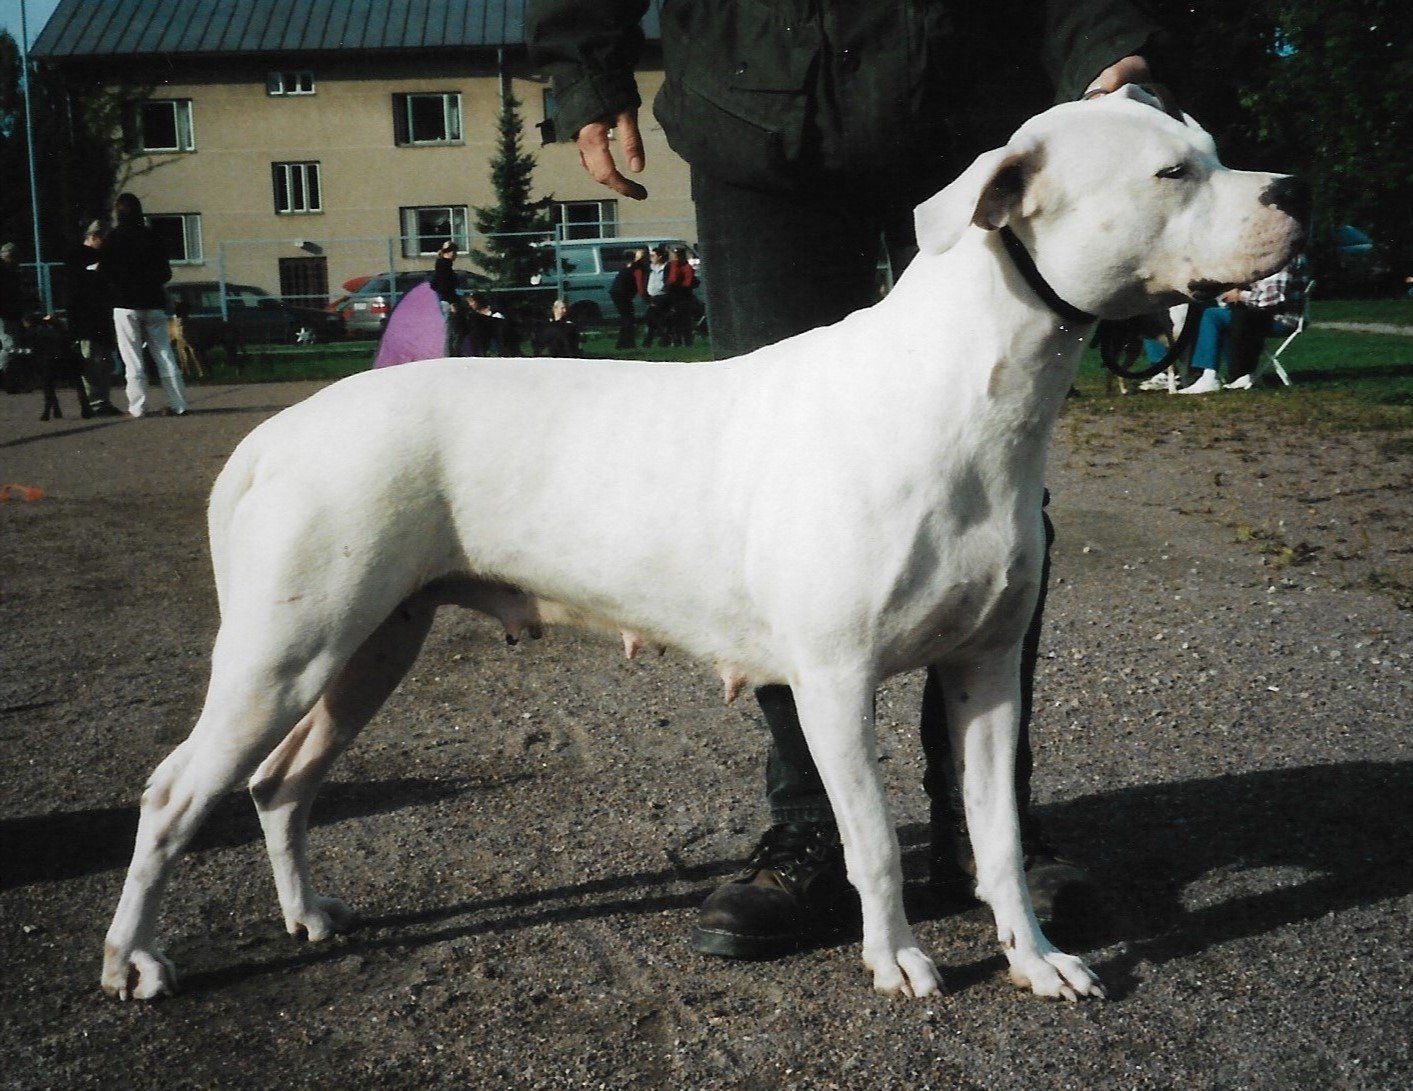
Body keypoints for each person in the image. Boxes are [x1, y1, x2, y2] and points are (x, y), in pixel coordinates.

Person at [528, 0, 1177, 958]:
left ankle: (982, 836)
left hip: (960, 112)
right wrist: (589, 72)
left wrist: (1108, 50)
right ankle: (815, 834)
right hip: (756, 127)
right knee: (785, 501)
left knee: (987, 485)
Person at [99, 192, 189, 417]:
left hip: (124, 305)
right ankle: (178, 404)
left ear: (118, 213)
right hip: (153, 302)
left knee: (132, 358)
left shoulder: (112, 239)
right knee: (164, 354)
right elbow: (165, 273)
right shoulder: (153, 238)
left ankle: (138, 407)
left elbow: (105, 274)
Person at [1179, 256, 1308, 393]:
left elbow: (1273, 299)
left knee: (1212, 316)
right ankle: (1237, 374)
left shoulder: (1284, 259)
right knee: (1217, 313)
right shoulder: (1268, 258)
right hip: (1257, 315)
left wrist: (1240, 296)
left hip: (1281, 319)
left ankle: (1209, 377)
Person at [64, 221, 123, 416]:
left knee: (102, 361)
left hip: (98, 318)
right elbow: (76, 292)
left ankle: (102, 401)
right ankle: (96, 402)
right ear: (93, 237)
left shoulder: (96, 258)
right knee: (93, 362)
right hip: (87, 319)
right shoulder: (77, 258)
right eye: (101, 239)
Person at [429, 239, 469, 356]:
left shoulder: (441, 265)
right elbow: (444, 286)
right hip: (447, 301)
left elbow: (433, 284)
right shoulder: (444, 266)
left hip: (444, 300)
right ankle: (447, 354)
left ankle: (448, 353)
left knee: (449, 329)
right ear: (449, 252)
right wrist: (452, 302)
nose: (455, 255)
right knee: (449, 330)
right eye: (454, 252)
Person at [609, 248, 645, 349]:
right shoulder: (636, 267)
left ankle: (623, 343)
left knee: (626, 318)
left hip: (617, 292)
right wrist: (644, 296)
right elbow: (639, 284)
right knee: (628, 318)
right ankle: (627, 343)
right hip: (622, 293)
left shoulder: (627, 266)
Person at [665, 246, 697, 347]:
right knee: (683, 320)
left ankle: (679, 341)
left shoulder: (671, 266)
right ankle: (684, 341)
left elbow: (668, 282)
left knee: (679, 320)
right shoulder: (686, 266)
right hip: (683, 296)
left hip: (678, 296)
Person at [0, 241, 24, 379]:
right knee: (10, 345)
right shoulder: (8, 272)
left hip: (9, 313)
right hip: (5, 313)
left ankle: (10, 376)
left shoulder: (11, 271)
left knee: (12, 345)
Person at [641, 245, 671, 347]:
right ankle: (658, 340)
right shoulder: (649, 268)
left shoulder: (667, 268)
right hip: (651, 297)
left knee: (659, 321)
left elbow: (668, 282)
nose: (651, 258)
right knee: (651, 321)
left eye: (653, 256)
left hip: (662, 297)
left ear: (660, 257)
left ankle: (658, 341)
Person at [464, 292, 510, 357]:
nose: (470, 304)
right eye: (469, 302)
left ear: (479, 301)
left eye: (472, 301)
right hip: (477, 347)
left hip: (494, 346)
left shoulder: (495, 314)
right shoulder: (471, 316)